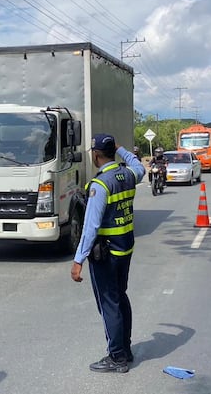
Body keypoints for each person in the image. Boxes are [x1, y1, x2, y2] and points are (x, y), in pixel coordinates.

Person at [70, 133, 145, 373]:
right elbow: (138, 165)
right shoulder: (128, 175)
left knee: (109, 303)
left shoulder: (101, 184)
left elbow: (91, 227)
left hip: (106, 253)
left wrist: (78, 259)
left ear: (96, 154)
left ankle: (117, 357)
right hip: (125, 249)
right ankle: (125, 349)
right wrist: (121, 150)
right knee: (120, 297)